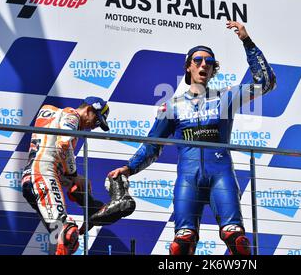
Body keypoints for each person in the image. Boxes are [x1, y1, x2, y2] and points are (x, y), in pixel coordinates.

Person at [108, 20, 277, 255]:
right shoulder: (172, 107)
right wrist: (129, 168)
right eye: (197, 60)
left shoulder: (226, 98)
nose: (203, 65)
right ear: (188, 67)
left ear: (212, 69)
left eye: (209, 62)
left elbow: (266, 82)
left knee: (236, 239)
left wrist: (246, 41)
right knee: (182, 244)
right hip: (188, 179)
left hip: (222, 177)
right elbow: (152, 145)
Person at [21, 96, 110, 255]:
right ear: (89, 110)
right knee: (67, 234)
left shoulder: (54, 114)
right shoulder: (71, 115)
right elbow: (63, 143)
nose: (94, 127)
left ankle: (92, 208)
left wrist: (76, 181)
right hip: (42, 175)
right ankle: (93, 208)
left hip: (32, 178)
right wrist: (74, 174)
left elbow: (55, 152)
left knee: (60, 236)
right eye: (97, 121)